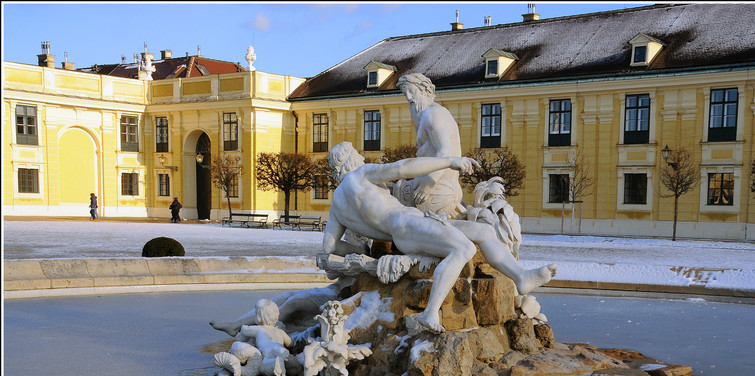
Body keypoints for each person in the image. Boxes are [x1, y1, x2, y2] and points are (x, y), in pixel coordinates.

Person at [325, 141, 557, 334]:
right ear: (350, 161)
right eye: (358, 156)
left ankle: (521, 276)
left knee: (483, 232)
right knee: (463, 249)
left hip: (413, 225)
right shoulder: (359, 175)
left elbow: (329, 247)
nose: (362, 159)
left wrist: (358, 255)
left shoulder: (337, 206)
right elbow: (403, 168)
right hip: (408, 225)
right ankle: (430, 312)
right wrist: (449, 161)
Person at [393, 73, 465, 217]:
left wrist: (428, 182)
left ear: (425, 91)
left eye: (412, 92)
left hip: (438, 188)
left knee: (385, 196)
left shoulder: (432, 114)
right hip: (445, 187)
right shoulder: (430, 113)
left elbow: (445, 151)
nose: (408, 97)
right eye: (405, 93)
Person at [209, 277, 355, 337]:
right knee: (282, 298)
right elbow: (332, 273)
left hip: (334, 296)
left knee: (293, 303)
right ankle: (235, 325)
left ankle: (265, 329)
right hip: (329, 289)